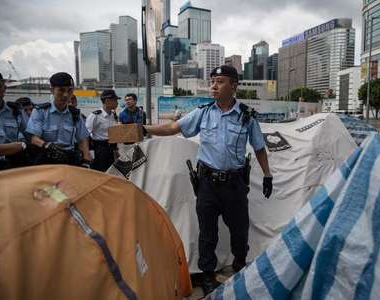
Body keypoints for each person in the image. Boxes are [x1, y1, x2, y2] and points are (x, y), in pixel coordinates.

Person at [144, 65, 273, 295]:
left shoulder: (246, 116)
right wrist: (143, 128)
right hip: (207, 184)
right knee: (207, 232)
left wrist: (267, 175)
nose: (213, 85)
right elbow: (174, 127)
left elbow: (260, 148)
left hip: (234, 185)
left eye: (220, 81)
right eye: (212, 81)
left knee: (240, 230)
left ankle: (239, 265)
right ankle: (207, 276)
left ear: (233, 85)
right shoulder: (203, 112)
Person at [26, 72, 91, 167]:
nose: (65, 95)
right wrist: (47, 146)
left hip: (69, 159)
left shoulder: (75, 114)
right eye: (61, 90)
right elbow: (34, 138)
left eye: (69, 91)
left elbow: (82, 140)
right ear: (52, 90)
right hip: (47, 159)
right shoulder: (40, 111)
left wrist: (86, 161)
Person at [0, 72, 30, 170]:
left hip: (11, 170)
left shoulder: (16, 111)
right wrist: (18, 146)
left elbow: (32, 136)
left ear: (4, 89)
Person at [85, 89, 119, 172]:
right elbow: (85, 134)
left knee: (110, 172)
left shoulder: (113, 115)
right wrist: (89, 152)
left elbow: (113, 133)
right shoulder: (95, 115)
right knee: (100, 173)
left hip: (111, 149)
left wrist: (115, 150)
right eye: (115, 100)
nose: (117, 103)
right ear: (107, 101)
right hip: (99, 149)